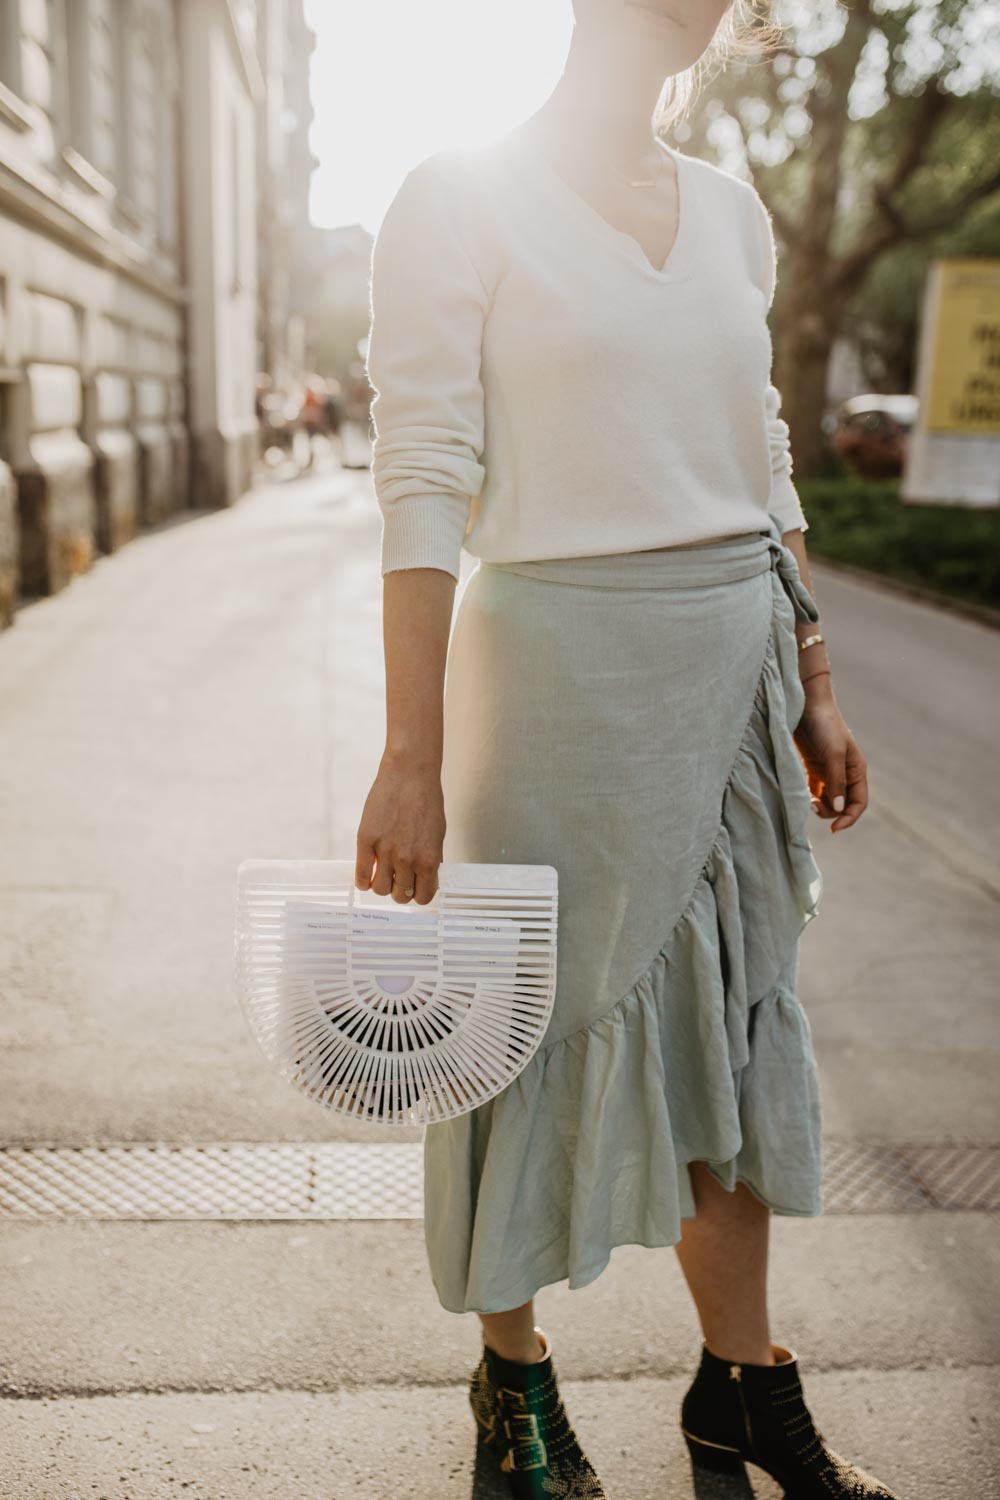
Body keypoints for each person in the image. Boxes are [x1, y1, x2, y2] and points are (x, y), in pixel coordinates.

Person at [357, 3, 892, 1496]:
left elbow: (761, 444)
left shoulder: (731, 213)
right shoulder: (454, 192)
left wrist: (816, 680)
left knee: (730, 1017)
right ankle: (513, 1384)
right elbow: (422, 472)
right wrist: (410, 753)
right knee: (524, 1028)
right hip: (555, 675)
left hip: (729, 670)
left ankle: (744, 1382)